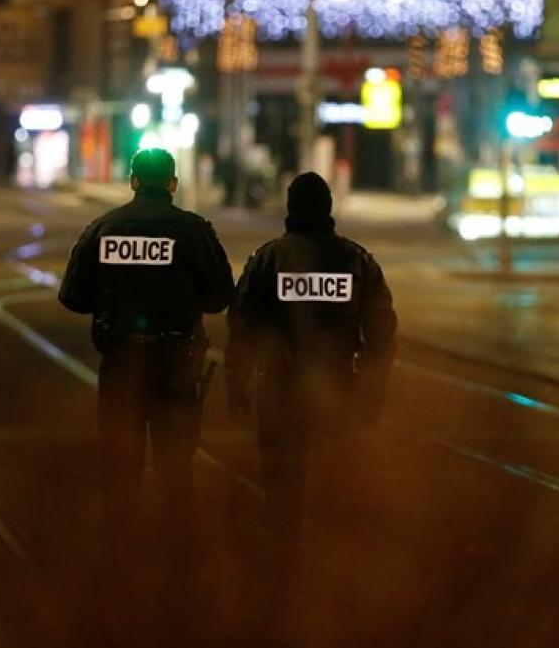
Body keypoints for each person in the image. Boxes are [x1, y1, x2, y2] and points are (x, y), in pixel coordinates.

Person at [58, 148, 234, 552]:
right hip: (176, 365)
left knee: (120, 470)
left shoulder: (104, 228)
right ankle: (177, 557)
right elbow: (220, 297)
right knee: (176, 472)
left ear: (133, 182)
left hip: (122, 365)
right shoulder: (193, 231)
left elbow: (73, 296)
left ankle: (119, 555)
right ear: (173, 184)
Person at [226, 172, 397, 575]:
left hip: (280, 391)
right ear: (328, 208)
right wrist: (372, 393)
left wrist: (237, 387)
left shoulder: (268, 259)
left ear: (290, 207)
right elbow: (382, 336)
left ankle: (284, 561)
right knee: (336, 478)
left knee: (282, 484)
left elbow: (243, 329)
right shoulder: (357, 261)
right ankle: (335, 564)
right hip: (338, 388)